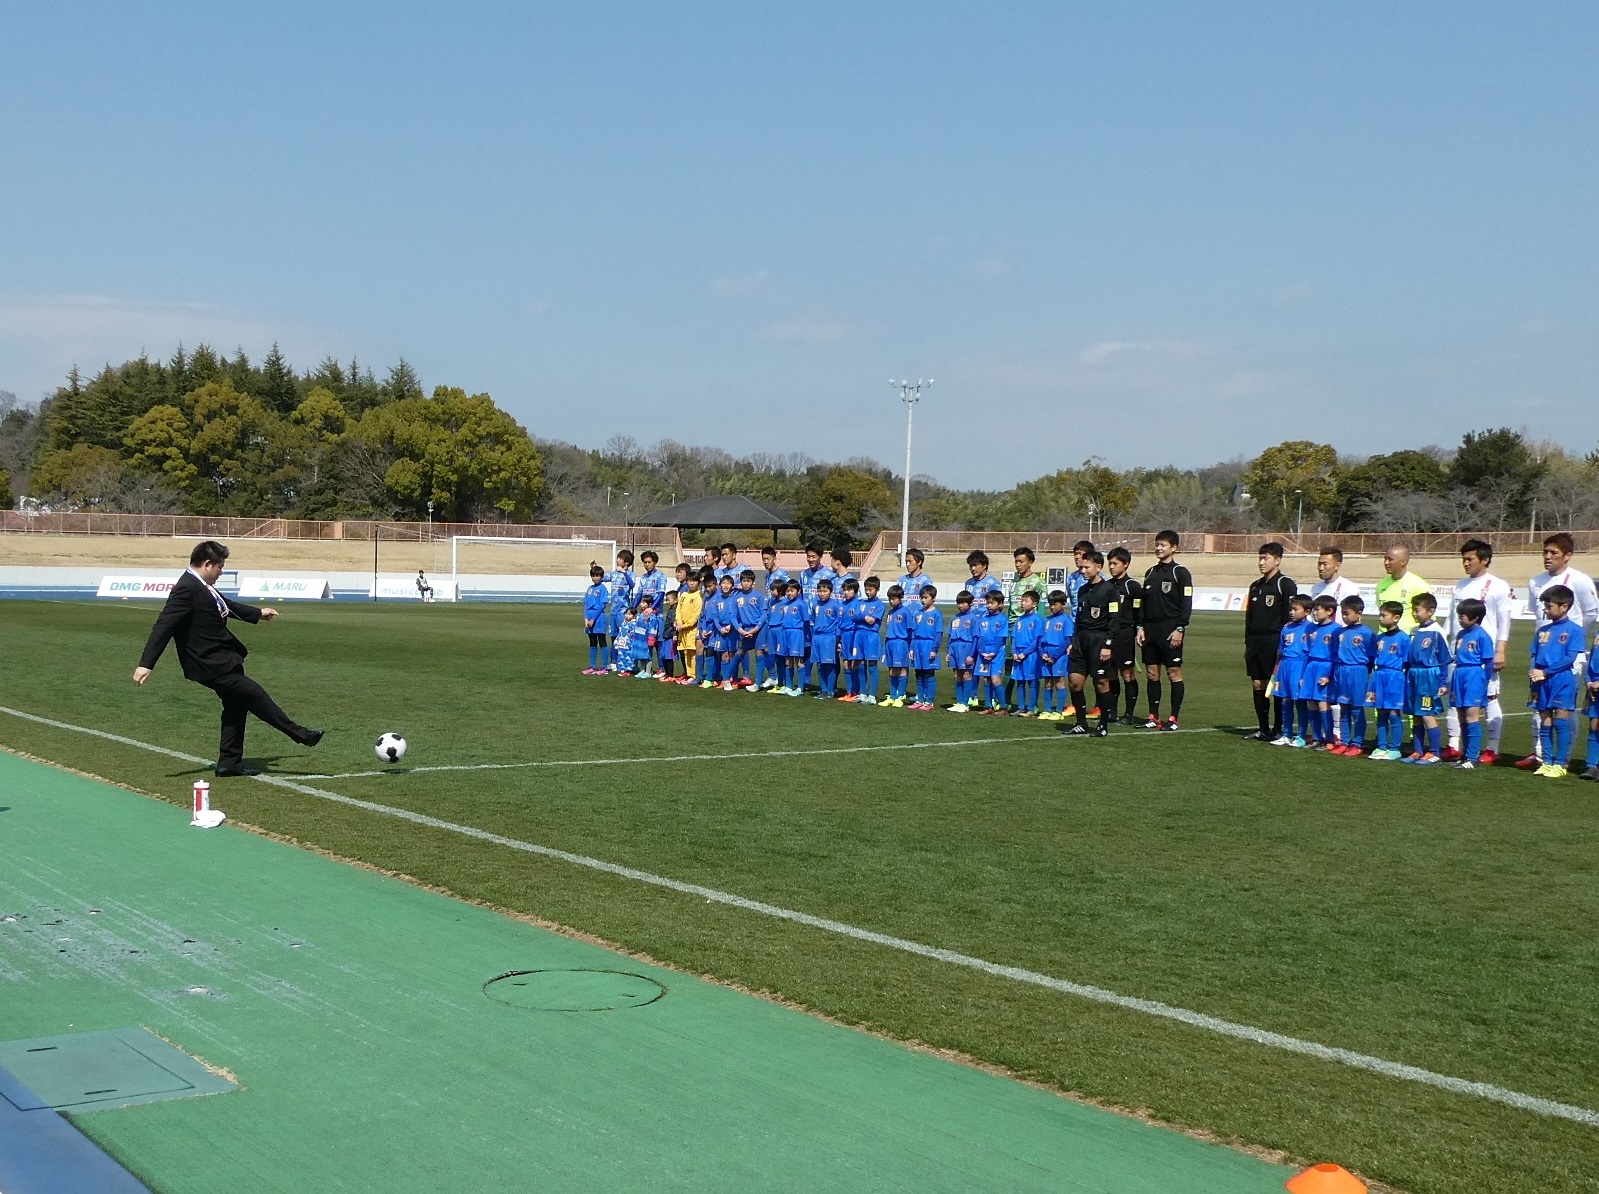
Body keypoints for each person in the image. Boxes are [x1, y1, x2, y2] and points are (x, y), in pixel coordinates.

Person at [133, 540, 322, 777]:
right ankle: (301, 734)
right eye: (220, 567)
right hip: (210, 664)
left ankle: (229, 763)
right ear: (207, 564)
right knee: (255, 695)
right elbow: (164, 626)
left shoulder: (202, 585)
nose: (222, 572)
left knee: (236, 706)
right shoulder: (187, 588)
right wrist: (146, 664)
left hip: (224, 659)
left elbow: (226, 606)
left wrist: (257, 613)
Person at [1512, 534, 1599, 769]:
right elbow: (1538, 617)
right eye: (1545, 552)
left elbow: (1591, 613)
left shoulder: (1580, 580)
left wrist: (1571, 637)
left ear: (1567, 556)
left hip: (1568, 656)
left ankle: (1564, 757)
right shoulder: (1535, 581)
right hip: (1542, 652)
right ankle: (1540, 754)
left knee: (1563, 707)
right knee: (1539, 705)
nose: (1548, 557)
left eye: (1554, 553)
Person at [1443, 539, 1513, 766]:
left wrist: (1500, 649)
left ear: (1485, 560)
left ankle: (1492, 747)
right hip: (1459, 654)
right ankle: (1455, 746)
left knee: (1489, 698)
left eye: (1470, 559)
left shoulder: (1498, 585)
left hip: (1482, 655)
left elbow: (1504, 621)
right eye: (1463, 559)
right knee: (1457, 702)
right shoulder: (1460, 585)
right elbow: (1451, 620)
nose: (1465, 563)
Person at [1138, 529, 1192, 731]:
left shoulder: (1181, 573)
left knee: (1173, 672)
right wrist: (1140, 626)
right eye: (1157, 544)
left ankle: (1173, 718)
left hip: (1171, 628)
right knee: (1152, 674)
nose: (1159, 548)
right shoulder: (1150, 572)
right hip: (1150, 629)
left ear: (1174, 548)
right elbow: (1144, 603)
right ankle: (1153, 716)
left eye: (1163, 545)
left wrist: (1180, 627)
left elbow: (1187, 602)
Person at [1244, 543, 1298, 741]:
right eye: (1260, 558)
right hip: (1255, 642)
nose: (1261, 562)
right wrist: (1247, 643)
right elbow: (1249, 617)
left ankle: (1278, 728)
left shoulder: (1285, 584)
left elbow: (1289, 618)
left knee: (1275, 686)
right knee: (1258, 684)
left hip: (1273, 640)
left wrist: (1284, 646)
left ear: (1277, 560)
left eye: (1266, 558)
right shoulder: (1255, 586)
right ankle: (1263, 727)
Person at [1529, 585, 1583, 778]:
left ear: (1564, 606)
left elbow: (1570, 657)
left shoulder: (1574, 630)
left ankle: (1560, 763)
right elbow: (1534, 654)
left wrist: (1546, 671)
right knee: (1545, 720)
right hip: (1541, 680)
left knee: (1561, 720)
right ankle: (1547, 761)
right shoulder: (1542, 631)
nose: (1546, 609)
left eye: (1549, 605)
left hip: (1562, 679)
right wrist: (1534, 674)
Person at [1064, 549, 1117, 737]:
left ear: (1098, 567)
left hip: (1099, 639)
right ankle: (1081, 722)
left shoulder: (1109, 590)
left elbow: (1114, 620)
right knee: (1074, 682)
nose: (1083, 570)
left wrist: (1108, 645)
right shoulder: (1083, 590)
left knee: (1101, 683)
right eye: (1082, 567)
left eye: (1087, 567)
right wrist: (1073, 640)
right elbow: (1079, 618)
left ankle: (1103, 725)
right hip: (1081, 640)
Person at [1402, 594, 1451, 764]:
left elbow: (1444, 659)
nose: (1415, 614)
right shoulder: (1414, 631)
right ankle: (1418, 750)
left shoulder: (1437, 632)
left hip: (1429, 675)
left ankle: (1435, 752)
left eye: (1417, 610)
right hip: (1413, 675)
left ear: (1430, 611)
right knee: (1415, 714)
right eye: (1413, 610)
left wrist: (1443, 682)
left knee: (1427, 714)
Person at [1448, 597, 1494, 769]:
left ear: (1475, 618)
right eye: (1459, 615)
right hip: (1459, 673)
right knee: (1461, 716)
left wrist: (1485, 680)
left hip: (1474, 674)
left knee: (1471, 716)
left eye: (1463, 616)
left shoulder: (1482, 635)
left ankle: (1473, 758)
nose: (1460, 619)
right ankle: (1465, 755)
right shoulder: (1461, 634)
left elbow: (1489, 661)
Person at [1330, 596, 1375, 755]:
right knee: (1344, 708)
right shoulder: (1339, 632)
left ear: (1359, 613)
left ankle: (1357, 743)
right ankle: (1344, 741)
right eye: (1342, 613)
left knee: (1356, 708)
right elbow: (1335, 652)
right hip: (1341, 671)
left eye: (1347, 613)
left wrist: (1364, 671)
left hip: (1358, 671)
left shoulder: (1367, 633)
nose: (1344, 616)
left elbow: (1371, 656)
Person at [1366, 602, 1411, 761]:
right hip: (1379, 676)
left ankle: (1395, 748)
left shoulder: (1404, 638)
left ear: (1396, 618)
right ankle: (1382, 746)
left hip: (1394, 677)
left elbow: (1407, 661)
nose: (1380, 618)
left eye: (1384, 615)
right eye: (1380, 614)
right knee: (1380, 712)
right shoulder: (1380, 638)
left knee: (1393, 712)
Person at [1105, 546, 1143, 726]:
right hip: (1108, 634)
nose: (1111, 567)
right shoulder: (1107, 586)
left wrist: (1138, 629)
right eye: (1109, 563)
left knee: (1127, 674)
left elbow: (1139, 611)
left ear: (1125, 564)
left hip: (1125, 634)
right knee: (1110, 673)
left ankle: (1129, 714)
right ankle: (1112, 711)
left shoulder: (1132, 586)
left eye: (1115, 563)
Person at [1271, 596, 1312, 747]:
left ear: (1307, 611)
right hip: (1285, 665)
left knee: (1300, 701)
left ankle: (1301, 735)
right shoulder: (1286, 627)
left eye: (1296, 609)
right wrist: (1277, 668)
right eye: (1291, 609)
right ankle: (1286, 733)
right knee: (1285, 700)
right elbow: (1281, 650)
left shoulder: (1310, 628)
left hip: (1300, 665)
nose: (1292, 612)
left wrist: (1305, 673)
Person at [1299, 595, 1339, 750]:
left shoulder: (1336, 630)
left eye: (1317, 610)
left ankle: (1328, 739)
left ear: (1329, 611)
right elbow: (1306, 652)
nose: (1314, 613)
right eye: (1313, 610)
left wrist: (1329, 675)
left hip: (1325, 667)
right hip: (1311, 667)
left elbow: (1336, 655)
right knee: (1311, 703)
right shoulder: (1310, 628)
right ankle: (1316, 737)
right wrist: (1303, 675)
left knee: (1323, 703)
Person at [1373, 545, 1429, 634]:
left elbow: (1428, 618)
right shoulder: (1381, 585)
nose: (1386, 563)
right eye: (1385, 559)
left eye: (1390, 559)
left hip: (1407, 639)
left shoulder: (1419, 585)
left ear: (1403, 562)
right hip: (1384, 638)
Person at [974, 589, 1010, 714]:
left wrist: (994, 652)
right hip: (985, 652)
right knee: (986, 679)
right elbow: (981, 637)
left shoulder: (1002, 619)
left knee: (995, 679)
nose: (989, 605)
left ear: (1000, 604)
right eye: (987, 602)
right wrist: (982, 651)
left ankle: (1003, 707)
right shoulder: (984, 619)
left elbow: (1001, 637)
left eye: (992, 603)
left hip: (997, 652)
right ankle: (988, 706)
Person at [1009, 589, 1044, 717]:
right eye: (1022, 601)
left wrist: (1025, 653)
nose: (1022, 603)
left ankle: (1032, 707)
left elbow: (1037, 640)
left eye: (1026, 601)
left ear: (1034, 604)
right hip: (1018, 653)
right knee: (1020, 681)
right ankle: (1021, 707)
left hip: (1031, 655)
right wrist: (1014, 652)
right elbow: (1014, 637)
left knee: (1032, 681)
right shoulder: (1019, 619)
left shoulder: (1037, 620)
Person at [852, 577, 886, 705]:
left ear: (877, 590)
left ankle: (872, 695)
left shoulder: (879, 605)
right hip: (859, 635)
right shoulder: (861, 603)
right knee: (860, 665)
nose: (868, 592)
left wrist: (864, 618)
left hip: (871, 636)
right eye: (866, 589)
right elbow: (854, 617)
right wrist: (864, 617)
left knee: (872, 666)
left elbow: (872, 620)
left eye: (870, 590)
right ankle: (862, 693)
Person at [910, 585, 944, 711]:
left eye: (926, 597)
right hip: (918, 644)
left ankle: (929, 701)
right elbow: (914, 632)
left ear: (933, 599)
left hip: (928, 645)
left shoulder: (936, 614)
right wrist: (912, 648)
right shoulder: (918, 613)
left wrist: (934, 649)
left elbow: (938, 633)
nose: (923, 600)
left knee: (929, 673)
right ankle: (920, 699)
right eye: (921, 597)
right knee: (918, 673)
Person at [810, 578, 844, 701]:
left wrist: (839, 639)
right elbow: (813, 618)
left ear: (830, 591)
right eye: (820, 591)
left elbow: (839, 622)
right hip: (817, 636)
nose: (822, 593)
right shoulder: (816, 604)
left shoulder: (835, 605)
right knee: (819, 665)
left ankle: (830, 690)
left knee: (829, 664)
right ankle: (823, 689)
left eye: (825, 591)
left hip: (829, 637)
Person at [945, 590, 979, 713]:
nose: (960, 605)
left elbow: (976, 637)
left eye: (963, 603)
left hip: (967, 647)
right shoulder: (954, 618)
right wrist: (948, 651)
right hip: (955, 647)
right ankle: (959, 702)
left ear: (970, 603)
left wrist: (971, 654)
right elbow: (950, 636)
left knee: (966, 675)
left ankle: (965, 703)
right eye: (958, 603)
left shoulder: (973, 618)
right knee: (957, 675)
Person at [603, 550, 636, 670]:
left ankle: (625, 662)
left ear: (626, 562)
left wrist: (625, 573)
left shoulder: (630, 574)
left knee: (624, 637)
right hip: (613, 611)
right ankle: (613, 662)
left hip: (623, 611)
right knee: (614, 637)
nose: (617, 560)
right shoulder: (614, 574)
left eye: (620, 558)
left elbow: (632, 585)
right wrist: (594, 567)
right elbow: (602, 578)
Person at [775, 579, 808, 697]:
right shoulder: (784, 604)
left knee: (799, 661)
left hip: (796, 633)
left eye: (792, 591)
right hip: (785, 632)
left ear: (798, 591)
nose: (789, 593)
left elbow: (806, 622)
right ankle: (788, 686)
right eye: (788, 591)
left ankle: (800, 688)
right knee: (788, 660)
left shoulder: (801, 604)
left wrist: (805, 637)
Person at [733, 570, 765, 689]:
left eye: (748, 581)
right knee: (739, 652)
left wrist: (756, 628)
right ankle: (727, 679)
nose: (746, 583)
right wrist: (740, 629)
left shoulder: (758, 596)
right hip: (744, 630)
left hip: (759, 629)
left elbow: (763, 614)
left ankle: (757, 683)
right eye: (744, 581)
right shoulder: (737, 598)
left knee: (760, 652)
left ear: (753, 582)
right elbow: (733, 616)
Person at [837, 577, 864, 702]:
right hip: (844, 635)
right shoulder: (841, 605)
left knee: (855, 663)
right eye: (845, 590)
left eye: (849, 590)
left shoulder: (859, 603)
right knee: (846, 663)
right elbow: (839, 622)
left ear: (855, 591)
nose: (846, 592)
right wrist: (839, 640)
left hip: (854, 634)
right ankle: (849, 692)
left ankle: (857, 691)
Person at [674, 572, 703, 686]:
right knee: (686, 652)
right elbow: (678, 610)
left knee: (692, 651)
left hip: (692, 629)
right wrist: (679, 621)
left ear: (698, 583)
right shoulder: (684, 595)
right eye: (690, 581)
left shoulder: (699, 595)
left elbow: (696, 615)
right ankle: (689, 674)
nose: (691, 583)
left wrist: (685, 625)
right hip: (682, 629)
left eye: (694, 581)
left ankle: (694, 675)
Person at [582, 564, 609, 674]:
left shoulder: (602, 588)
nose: (595, 578)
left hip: (598, 618)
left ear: (602, 577)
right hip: (589, 618)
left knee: (602, 641)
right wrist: (585, 618)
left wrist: (593, 619)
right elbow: (586, 604)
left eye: (598, 576)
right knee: (592, 642)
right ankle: (592, 666)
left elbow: (602, 605)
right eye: (593, 575)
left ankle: (604, 667)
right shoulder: (590, 588)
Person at [658, 589, 680, 681]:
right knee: (663, 655)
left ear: (675, 600)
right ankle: (667, 674)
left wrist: (675, 634)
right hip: (666, 636)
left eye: (668, 600)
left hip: (671, 636)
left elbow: (675, 623)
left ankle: (670, 675)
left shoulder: (675, 611)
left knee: (669, 656)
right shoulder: (671, 610)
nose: (667, 602)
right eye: (666, 600)